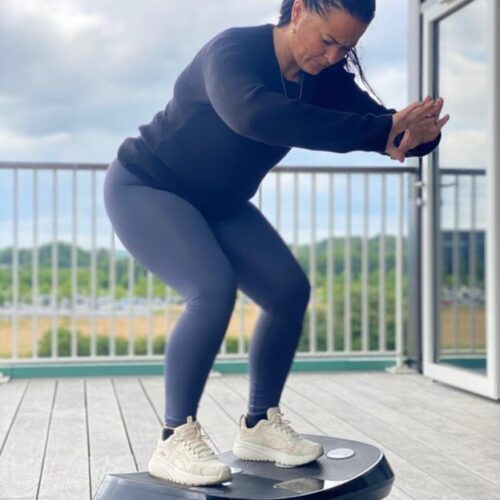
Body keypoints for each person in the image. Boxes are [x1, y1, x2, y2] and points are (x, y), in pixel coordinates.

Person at [103, 0, 449, 487]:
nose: (333, 57)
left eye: (346, 48)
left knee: (287, 291)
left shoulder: (325, 77)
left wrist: (418, 134)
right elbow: (255, 116)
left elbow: (384, 125)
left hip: (220, 202)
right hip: (148, 186)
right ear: (299, 10)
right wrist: (381, 130)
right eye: (328, 41)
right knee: (211, 289)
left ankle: (259, 426)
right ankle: (174, 437)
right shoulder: (232, 52)